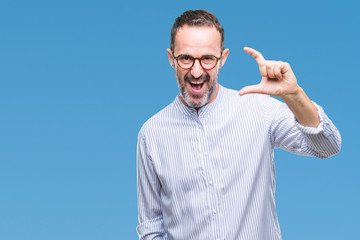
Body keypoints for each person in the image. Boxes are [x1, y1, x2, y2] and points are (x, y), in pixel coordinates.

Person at [136, 10, 341, 240]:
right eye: (185, 58)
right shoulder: (151, 134)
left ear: (222, 58)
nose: (196, 71)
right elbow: (152, 228)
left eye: (207, 59)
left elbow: (328, 146)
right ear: (171, 58)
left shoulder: (258, 109)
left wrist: (293, 94)